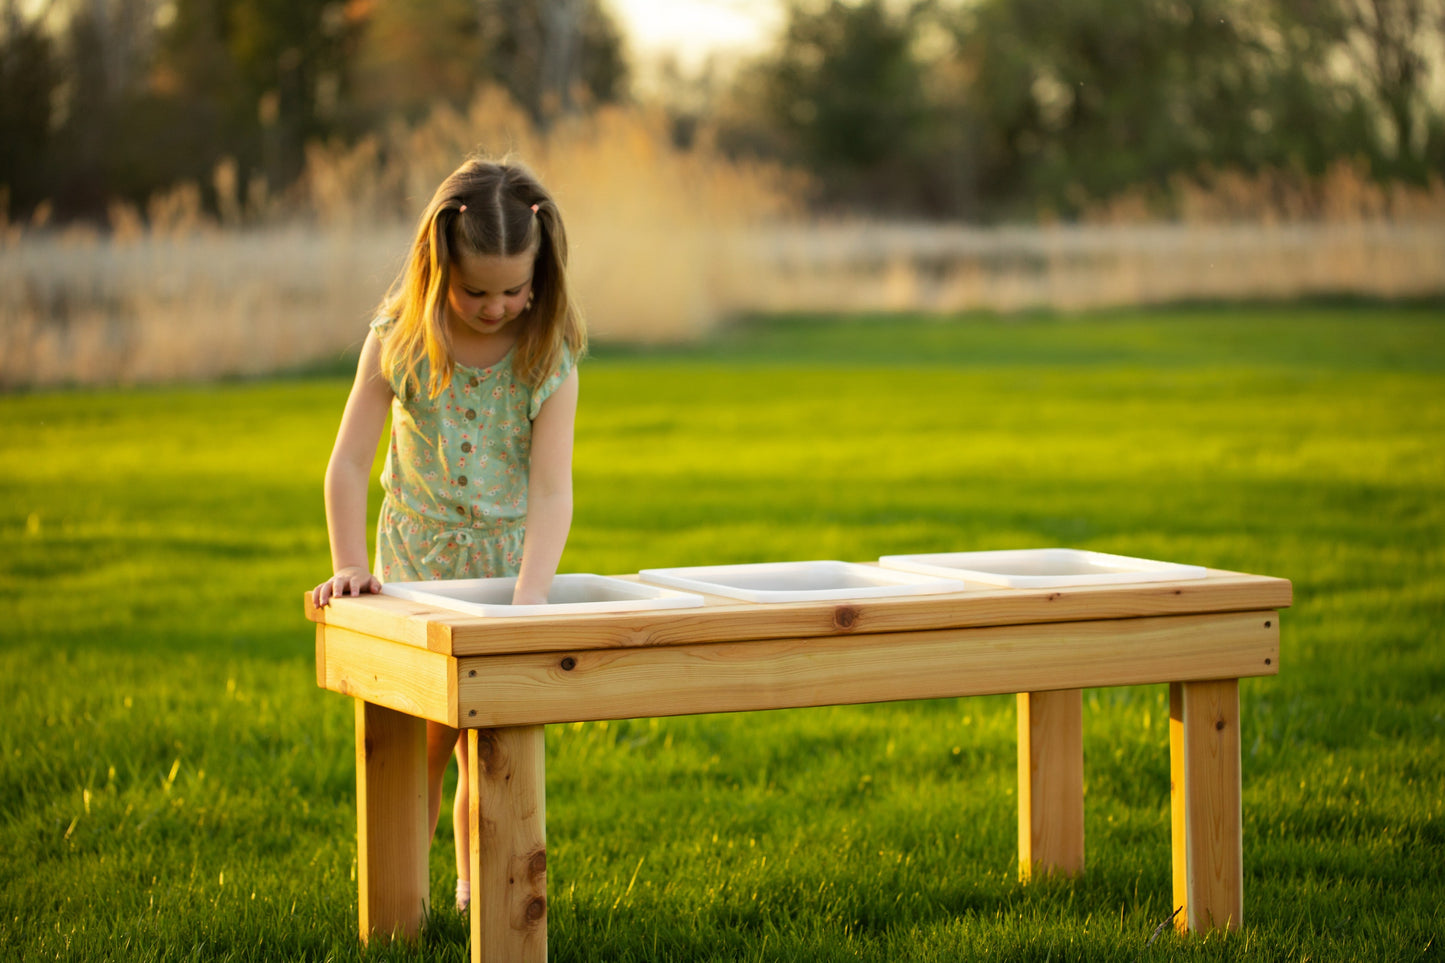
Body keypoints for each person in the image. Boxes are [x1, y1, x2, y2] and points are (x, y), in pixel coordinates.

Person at [311, 157, 585, 913]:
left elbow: (553, 489)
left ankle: (478, 894)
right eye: (475, 291)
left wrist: (529, 595)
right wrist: (350, 566)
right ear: (438, 268)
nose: (496, 307)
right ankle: (405, 898)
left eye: (512, 289)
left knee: (489, 751)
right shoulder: (399, 341)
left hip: (503, 574)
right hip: (415, 572)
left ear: (539, 271)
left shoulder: (545, 356)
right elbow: (348, 465)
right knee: (418, 748)